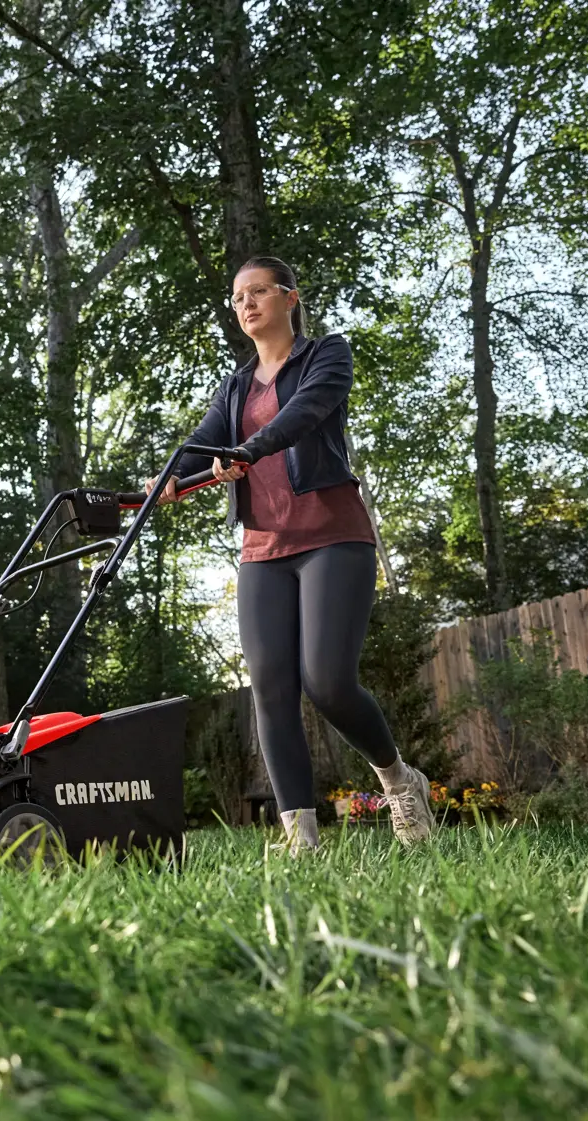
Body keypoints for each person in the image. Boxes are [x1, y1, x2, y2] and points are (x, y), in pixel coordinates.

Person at [149, 256, 435, 853]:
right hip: (263, 548)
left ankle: (399, 782)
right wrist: (168, 475)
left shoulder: (327, 355)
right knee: (271, 688)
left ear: (290, 298)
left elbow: (304, 415)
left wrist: (247, 449)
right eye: (237, 298)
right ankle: (299, 837)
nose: (246, 304)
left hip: (331, 535)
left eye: (258, 292)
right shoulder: (234, 386)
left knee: (328, 681)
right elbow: (201, 443)